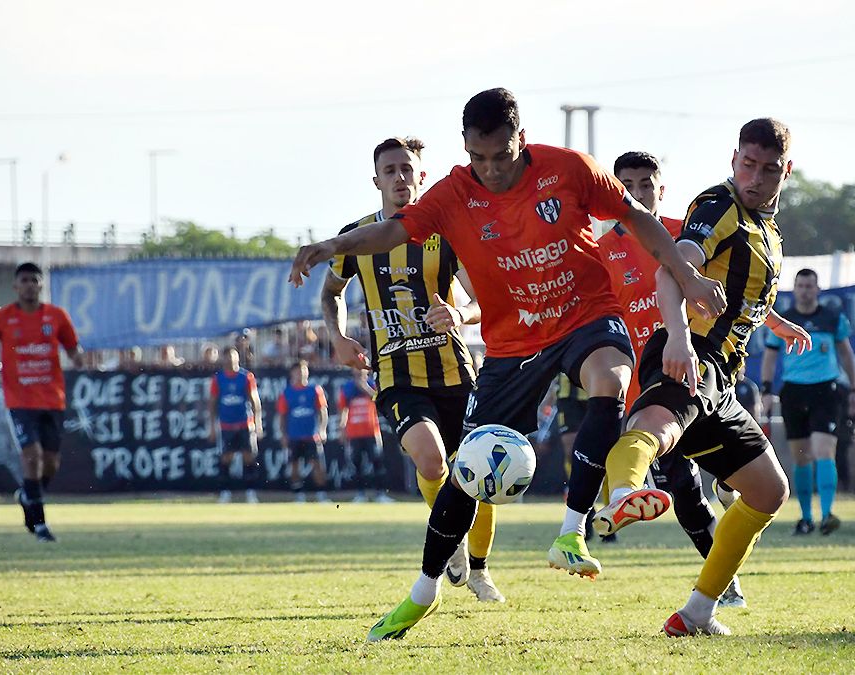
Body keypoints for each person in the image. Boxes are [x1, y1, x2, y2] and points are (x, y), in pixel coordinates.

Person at [290, 88, 721, 641]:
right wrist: (328, 245)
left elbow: (638, 218)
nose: (490, 170)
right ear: (465, 147)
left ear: (522, 138)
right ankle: (424, 590)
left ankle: (572, 531)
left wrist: (687, 277)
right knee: (468, 468)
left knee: (610, 380)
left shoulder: (570, 169)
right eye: (478, 157)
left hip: (583, 314)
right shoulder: (452, 193)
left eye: (501, 155)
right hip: (512, 342)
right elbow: (394, 231)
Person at [594, 119, 812, 636]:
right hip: (692, 356)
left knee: (768, 491)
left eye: (768, 168)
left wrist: (776, 322)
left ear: (787, 170)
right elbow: (673, 270)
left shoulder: (767, 228)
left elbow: (745, 295)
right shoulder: (718, 207)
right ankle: (623, 491)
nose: (755, 177)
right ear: (733, 158)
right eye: (746, 164)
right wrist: (677, 337)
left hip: (721, 378)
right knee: (656, 428)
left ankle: (697, 613)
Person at [320, 136, 502, 602]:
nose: (400, 177)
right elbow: (330, 293)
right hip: (396, 374)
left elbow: (485, 298)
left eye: (408, 169)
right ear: (376, 180)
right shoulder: (357, 236)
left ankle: (479, 572)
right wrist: (338, 338)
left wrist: (461, 314)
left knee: (476, 473)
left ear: (422, 176)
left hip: (455, 372)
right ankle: (454, 542)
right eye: (390, 170)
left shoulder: (448, 232)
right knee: (431, 458)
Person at [594, 149, 746, 608]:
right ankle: (726, 584)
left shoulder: (688, 236)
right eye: (629, 187)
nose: (639, 194)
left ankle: (727, 484)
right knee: (683, 486)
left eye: (647, 185)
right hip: (645, 379)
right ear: (616, 194)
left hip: (701, 369)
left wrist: (773, 319)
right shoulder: (602, 253)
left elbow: (734, 285)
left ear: (662, 189)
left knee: (721, 476)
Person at [0, 262, 83, 542]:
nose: (29, 285)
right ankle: (39, 526)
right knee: (32, 456)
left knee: (51, 463)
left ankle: (28, 494)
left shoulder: (57, 316)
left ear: (41, 285)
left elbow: (73, 347)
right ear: (15, 286)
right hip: (20, 398)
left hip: (52, 399)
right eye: (24, 280)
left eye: (34, 280)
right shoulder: (3, 318)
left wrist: (78, 358)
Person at [760, 268, 855, 535]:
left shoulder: (832, 318)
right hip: (793, 392)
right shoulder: (783, 320)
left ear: (817, 289)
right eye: (801, 286)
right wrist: (767, 389)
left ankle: (827, 514)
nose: (805, 290)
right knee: (801, 457)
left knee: (823, 450)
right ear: (795, 289)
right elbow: (770, 357)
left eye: (809, 286)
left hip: (826, 391)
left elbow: (847, 355)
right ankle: (806, 518)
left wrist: (854, 389)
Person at [207, 347, 263, 504]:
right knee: (226, 458)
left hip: (245, 423)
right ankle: (225, 492)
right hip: (226, 425)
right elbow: (211, 404)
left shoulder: (246, 377)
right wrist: (212, 426)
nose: (231, 361)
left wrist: (258, 423)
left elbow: (255, 401)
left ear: (238, 358)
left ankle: (250, 492)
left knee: (249, 457)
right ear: (223, 360)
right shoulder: (218, 379)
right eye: (228, 358)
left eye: (233, 357)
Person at [276, 360, 329, 503]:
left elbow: (323, 412)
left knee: (317, 465)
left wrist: (322, 429)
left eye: (303, 370)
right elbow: (282, 416)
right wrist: (283, 435)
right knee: (294, 466)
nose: (301, 374)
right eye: (298, 371)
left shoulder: (315, 390)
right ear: (292, 373)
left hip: (311, 436)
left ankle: (321, 494)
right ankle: (298, 495)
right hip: (294, 436)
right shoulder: (286, 393)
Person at [338, 372, 392, 503]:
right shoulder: (347, 387)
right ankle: (360, 494)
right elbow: (343, 409)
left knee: (377, 461)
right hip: (354, 432)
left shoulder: (373, 384)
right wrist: (342, 429)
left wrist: (364, 387)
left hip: (371, 431)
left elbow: (378, 400)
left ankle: (381, 494)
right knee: (357, 463)